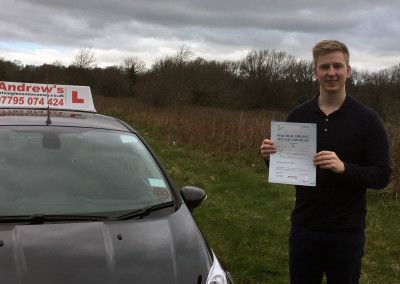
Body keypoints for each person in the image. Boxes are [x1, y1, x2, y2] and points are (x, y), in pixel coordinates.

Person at [260, 40, 391, 284]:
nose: (331, 73)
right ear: (315, 73)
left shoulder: (368, 120)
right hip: (304, 227)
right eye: (324, 67)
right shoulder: (298, 115)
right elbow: (290, 169)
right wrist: (271, 158)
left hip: (347, 233)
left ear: (348, 71)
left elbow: (382, 175)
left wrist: (345, 168)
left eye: (338, 66)